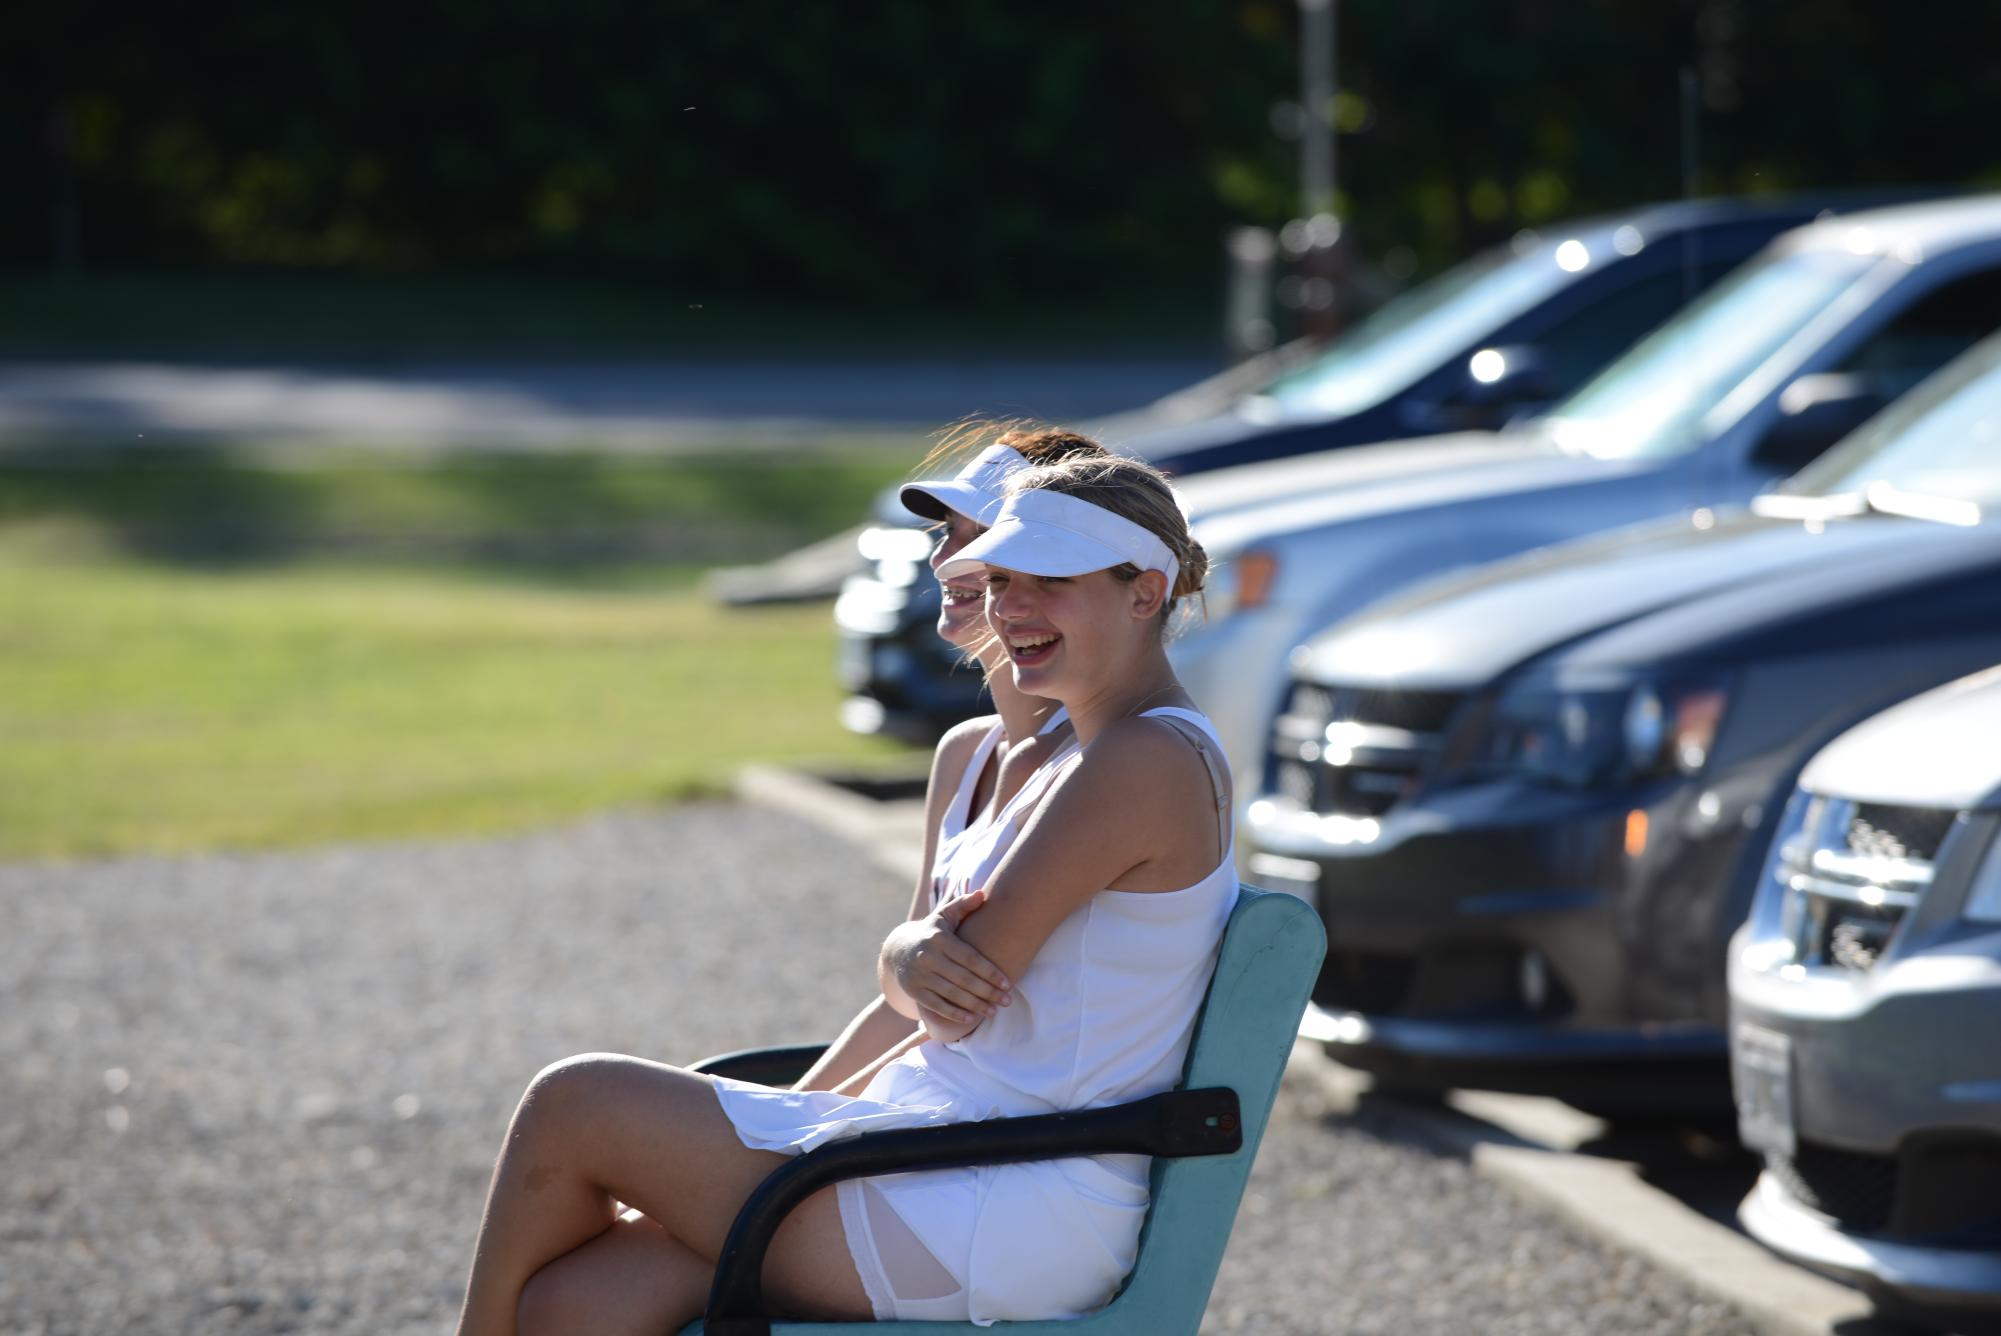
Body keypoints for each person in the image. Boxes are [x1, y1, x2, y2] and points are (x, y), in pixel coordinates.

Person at [454, 453, 1229, 1334]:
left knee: (576, 1099)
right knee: (574, 1305)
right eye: (1001, 577)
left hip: (1009, 1201)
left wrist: (906, 961)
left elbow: (959, 988)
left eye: (1046, 580)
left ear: (1145, 592)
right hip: (930, 1158)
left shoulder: (1144, 756)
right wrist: (903, 962)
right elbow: (934, 984)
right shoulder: (1101, 750)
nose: (1009, 605)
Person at [793, 423, 1105, 1093]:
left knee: (581, 1102)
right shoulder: (965, 751)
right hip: (933, 1117)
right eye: (950, 536)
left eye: (986, 540)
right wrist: (786, 1111)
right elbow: (901, 998)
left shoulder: (1101, 766)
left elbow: (946, 1014)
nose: (947, 563)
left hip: (991, 1144)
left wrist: (771, 1155)